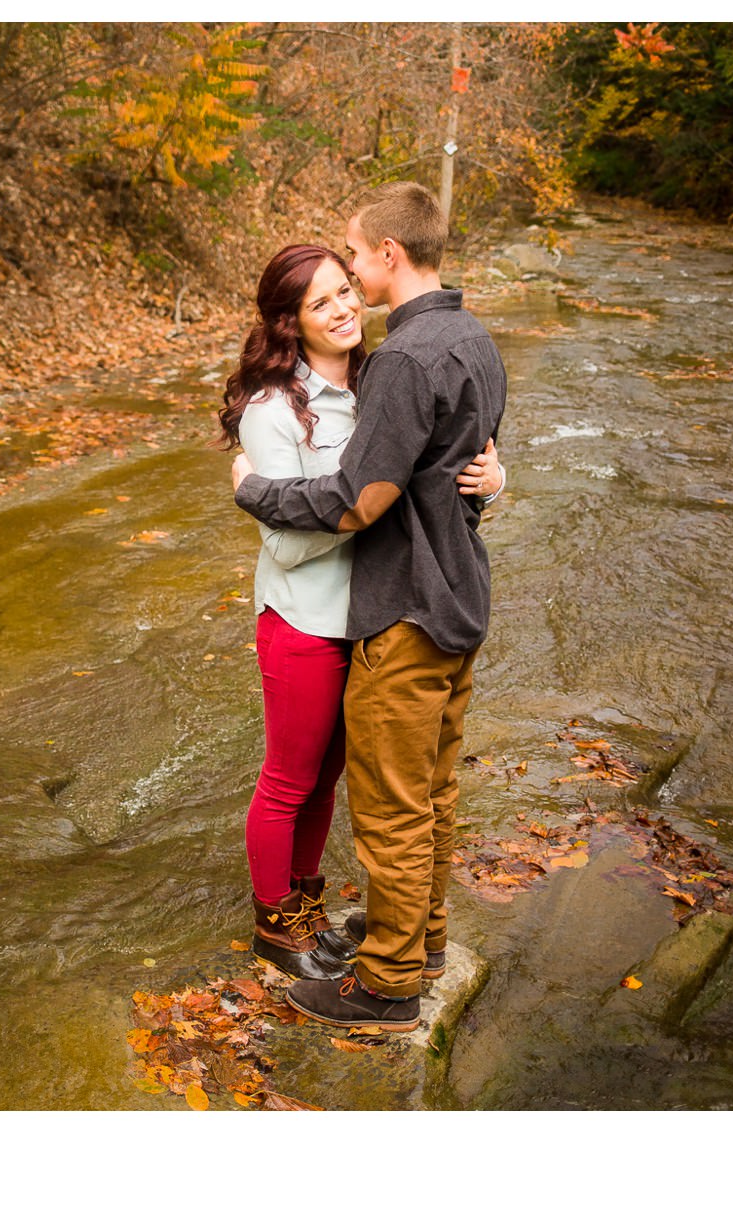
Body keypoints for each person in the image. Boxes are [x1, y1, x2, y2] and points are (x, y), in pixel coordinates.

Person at [231, 182, 508, 1029]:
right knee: (430, 789)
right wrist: (495, 483)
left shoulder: (400, 361)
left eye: (353, 258)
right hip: (458, 599)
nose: (351, 276)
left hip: (406, 611)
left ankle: (386, 982)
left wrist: (257, 495)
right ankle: (418, 940)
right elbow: (459, 465)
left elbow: (360, 499)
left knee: (391, 806)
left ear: (389, 255)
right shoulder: (476, 339)